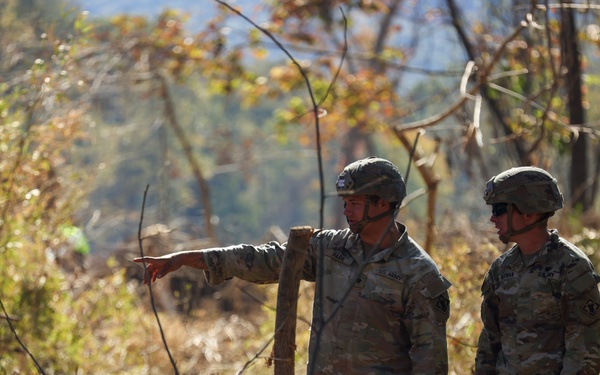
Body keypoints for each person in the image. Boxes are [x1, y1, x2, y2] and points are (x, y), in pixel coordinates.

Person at [134, 156, 451, 374]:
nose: (346, 211)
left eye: (355, 203)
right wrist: (185, 259)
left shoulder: (418, 274)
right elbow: (264, 259)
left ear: (383, 204)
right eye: (344, 203)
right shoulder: (329, 247)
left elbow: (429, 360)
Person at [475, 166, 600, 374]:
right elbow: (489, 342)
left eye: (499, 209)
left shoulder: (571, 267)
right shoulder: (501, 269)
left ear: (528, 211)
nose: (492, 218)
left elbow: (585, 350)